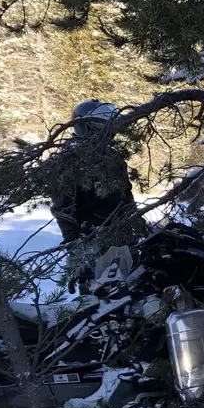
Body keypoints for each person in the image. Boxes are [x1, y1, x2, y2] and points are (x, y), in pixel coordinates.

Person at [48, 100, 145, 289]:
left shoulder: (112, 156)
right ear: (85, 125)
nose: (107, 128)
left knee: (133, 290)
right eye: (100, 123)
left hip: (121, 236)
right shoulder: (68, 161)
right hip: (91, 241)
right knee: (101, 299)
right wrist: (76, 247)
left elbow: (126, 195)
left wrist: (135, 224)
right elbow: (62, 208)